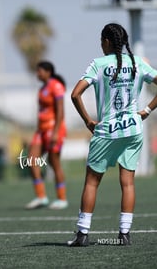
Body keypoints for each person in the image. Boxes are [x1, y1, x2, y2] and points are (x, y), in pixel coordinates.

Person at [68, 23, 157, 246]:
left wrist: (88, 120)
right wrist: (146, 110)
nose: (101, 44)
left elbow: (75, 94)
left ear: (106, 41)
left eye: (101, 40)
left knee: (91, 182)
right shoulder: (138, 62)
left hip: (106, 131)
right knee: (128, 183)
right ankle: (124, 235)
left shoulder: (98, 64)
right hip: (133, 130)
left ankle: (82, 235)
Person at [25, 61, 68, 210]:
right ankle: (41, 197)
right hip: (41, 130)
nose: (37, 74)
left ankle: (62, 198)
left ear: (48, 71)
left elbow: (60, 110)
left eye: (40, 71)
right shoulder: (42, 88)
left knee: (54, 162)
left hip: (53, 129)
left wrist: (56, 132)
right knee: (31, 159)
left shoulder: (56, 85)